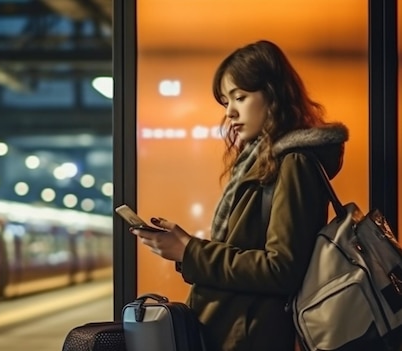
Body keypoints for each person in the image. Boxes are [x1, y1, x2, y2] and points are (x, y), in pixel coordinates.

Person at [130, 40, 349, 351]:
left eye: (240, 97)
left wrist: (189, 251)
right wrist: (186, 248)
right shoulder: (262, 161)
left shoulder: (293, 163)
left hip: (251, 335)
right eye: (226, 102)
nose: (230, 112)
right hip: (238, 329)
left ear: (273, 95)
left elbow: (281, 269)